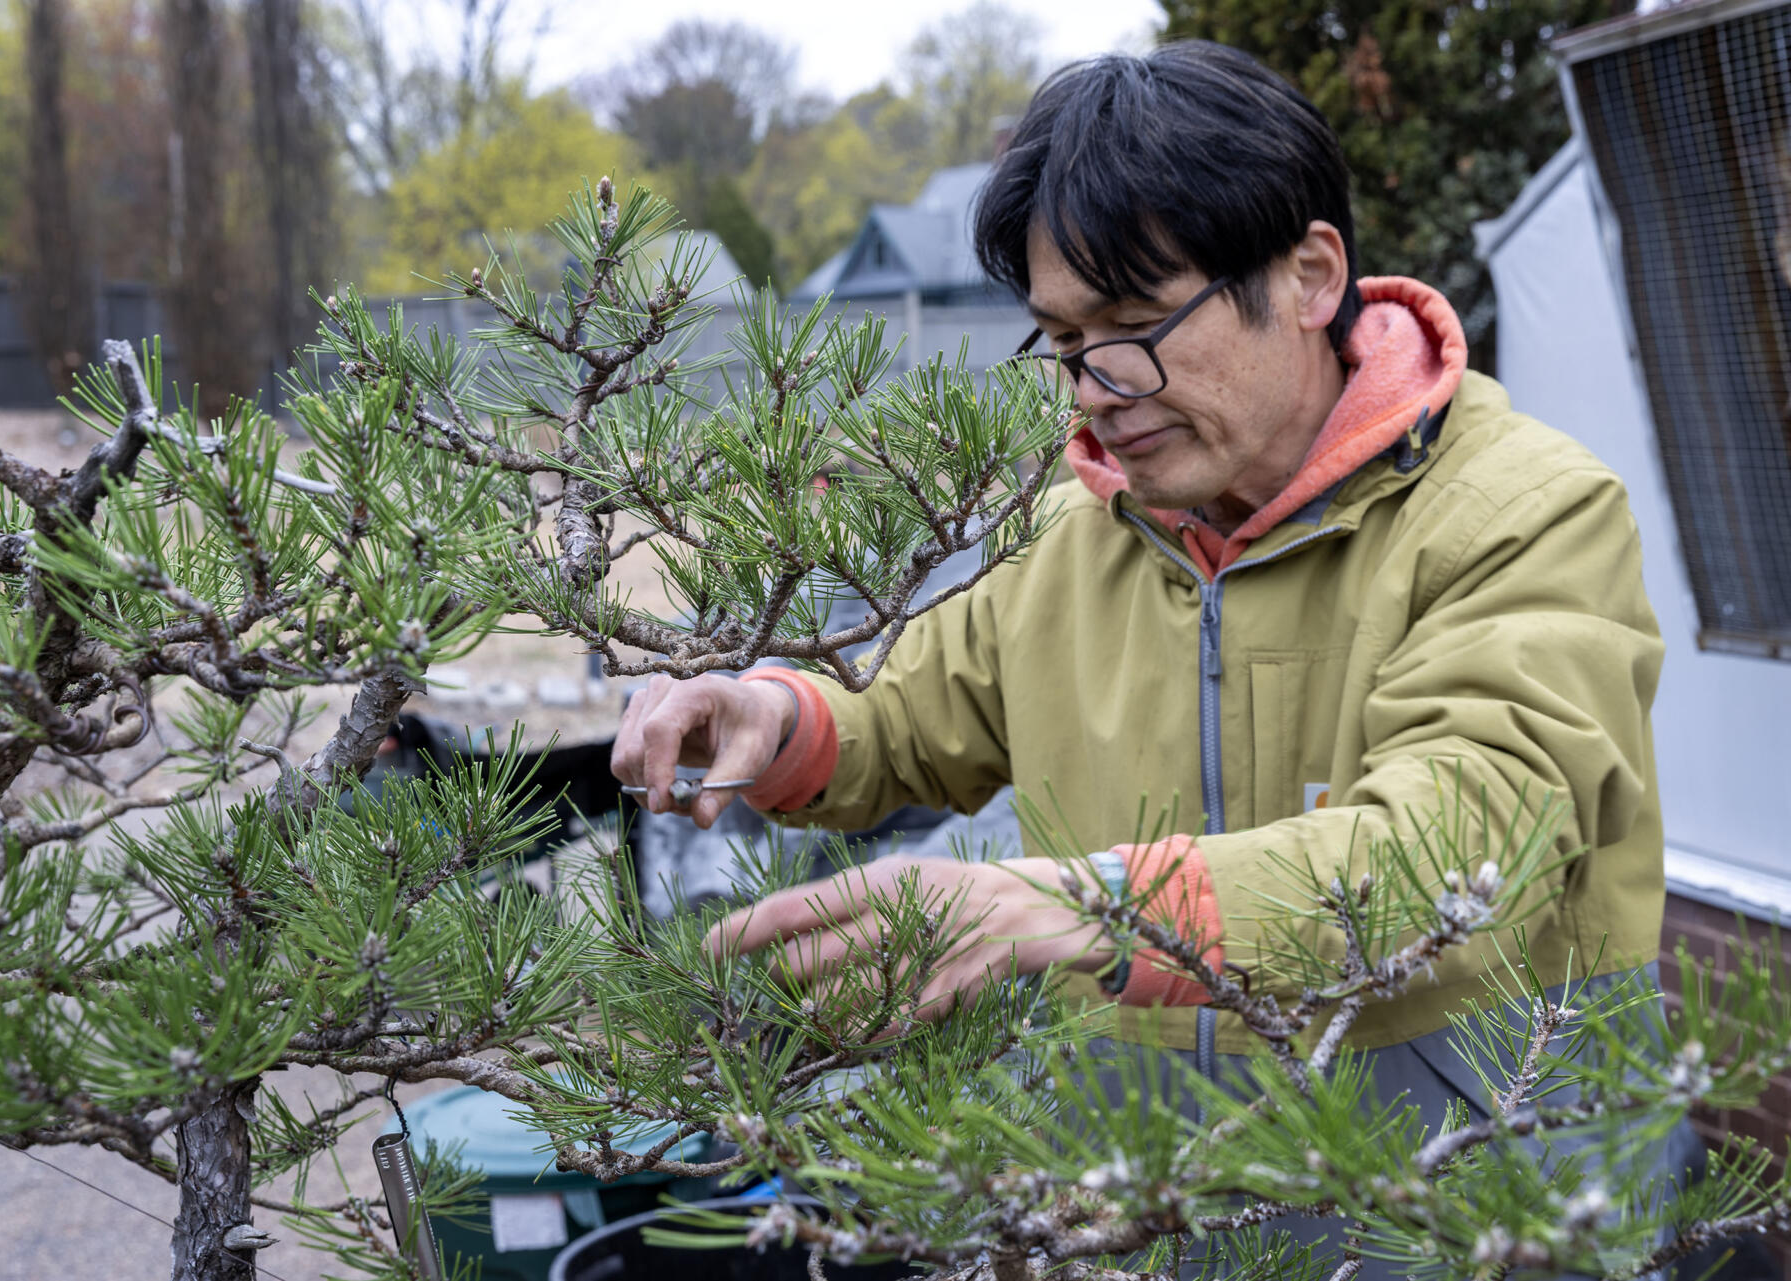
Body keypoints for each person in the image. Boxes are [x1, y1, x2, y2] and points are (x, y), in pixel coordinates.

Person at [611, 41, 1686, 1273]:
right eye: (1063, 339)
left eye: (1133, 324)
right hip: (1163, 1218)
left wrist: (1080, 907)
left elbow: (1455, 853)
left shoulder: (1525, 511)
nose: (1096, 388)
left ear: (1310, 274)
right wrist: (772, 720)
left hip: (1466, 1213)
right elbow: (905, 720)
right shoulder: (1085, 536)